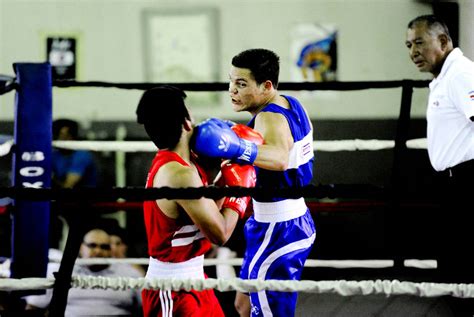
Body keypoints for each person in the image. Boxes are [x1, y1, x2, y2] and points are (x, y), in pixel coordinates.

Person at [193, 48, 316, 317]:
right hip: (276, 221)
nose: (231, 90)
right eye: (231, 81)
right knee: (244, 305)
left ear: (266, 86)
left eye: (241, 84)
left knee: (270, 312)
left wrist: (236, 147)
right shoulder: (291, 103)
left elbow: (280, 158)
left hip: (279, 228)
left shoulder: (268, 117)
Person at [136, 85, 257, 316]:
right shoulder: (177, 174)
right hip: (172, 289)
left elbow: (206, 207)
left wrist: (228, 177)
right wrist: (240, 188)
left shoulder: (185, 163)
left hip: (195, 278)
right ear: (186, 122)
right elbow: (220, 233)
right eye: (190, 112)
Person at [406, 14, 474, 315]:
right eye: (408, 45)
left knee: (464, 260)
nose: (412, 52)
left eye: (420, 42)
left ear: (443, 41)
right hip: (452, 180)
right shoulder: (444, 78)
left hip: (468, 178)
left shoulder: (460, 73)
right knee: (454, 260)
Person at [24, 228, 143, 316]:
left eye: (104, 247)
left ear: (110, 250)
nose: (98, 251)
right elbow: (34, 307)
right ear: (81, 247)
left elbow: (148, 308)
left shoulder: (129, 273)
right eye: (92, 245)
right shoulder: (60, 271)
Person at [51, 119, 98, 249]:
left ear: (74, 136)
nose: (64, 139)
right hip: (62, 204)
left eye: (67, 135)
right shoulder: (54, 155)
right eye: (60, 135)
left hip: (85, 204)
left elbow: (68, 185)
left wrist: (52, 179)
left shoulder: (82, 155)